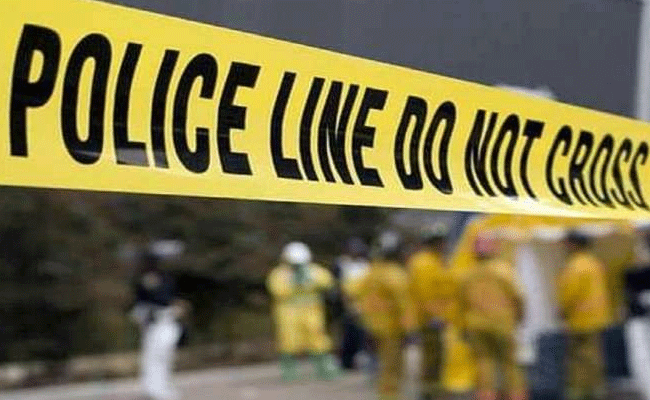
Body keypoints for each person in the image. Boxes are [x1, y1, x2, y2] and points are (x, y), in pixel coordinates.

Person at [345, 231, 416, 400]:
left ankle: (385, 392)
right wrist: (410, 328)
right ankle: (390, 396)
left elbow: (351, 289)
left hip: (372, 326)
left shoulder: (371, 271)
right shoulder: (395, 274)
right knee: (392, 365)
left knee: (382, 363)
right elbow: (404, 304)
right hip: (391, 328)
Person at [458, 235, 527, 400]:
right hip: (503, 324)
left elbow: (461, 304)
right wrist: (520, 317)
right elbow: (519, 296)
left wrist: (463, 326)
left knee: (484, 362)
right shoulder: (504, 271)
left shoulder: (468, 274)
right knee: (510, 364)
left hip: (476, 325)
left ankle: (486, 395)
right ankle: (516, 396)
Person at [266, 241, 338, 381]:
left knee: (317, 337)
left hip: (312, 311)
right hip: (288, 313)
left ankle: (324, 367)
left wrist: (311, 279)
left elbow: (328, 282)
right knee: (289, 340)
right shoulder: (279, 274)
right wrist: (294, 283)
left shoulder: (313, 270)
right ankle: (289, 370)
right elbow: (277, 290)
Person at [558, 231, 612, 400]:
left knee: (578, 359)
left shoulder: (574, 266)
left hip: (580, 318)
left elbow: (569, 293)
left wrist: (562, 310)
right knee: (594, 356)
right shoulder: (595, 263)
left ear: (573, 244)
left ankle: (579, 393)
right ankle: (598, 390)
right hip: (597, 317)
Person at [408, 223, 456, 400]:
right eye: (441, 241)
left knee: (438, 357)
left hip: (439, 317)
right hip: (430, 319)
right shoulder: (424, 263)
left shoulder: (437, 260)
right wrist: (435, 315)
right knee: (432, 357)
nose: (444, 245)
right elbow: (425, 294)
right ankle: (430, 393)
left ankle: (434, 390)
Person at [130, 252, 186, 400]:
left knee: (164, 356)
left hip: (167, 322)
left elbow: (173, 300)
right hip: (152, 325)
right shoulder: (143, 282)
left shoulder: (167, 280)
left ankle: (162, 387)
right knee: (150, 358)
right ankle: (151, 389)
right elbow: (140, 305)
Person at [333, 237, 371, 371]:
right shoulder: (341, 263)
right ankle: (346, 361)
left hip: (364, 303)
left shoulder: (365, 265)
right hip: (347, 303)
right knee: (348, 333)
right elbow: (338, 284)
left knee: (363, 333)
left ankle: (362, 359)